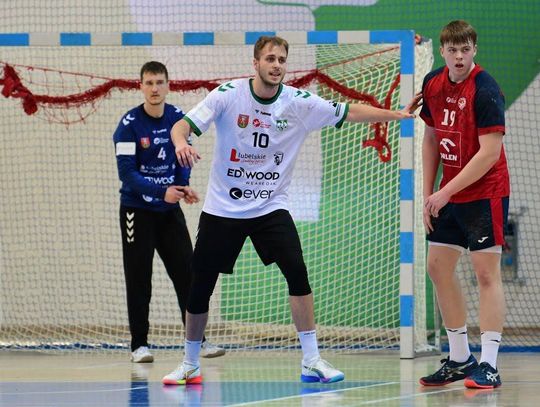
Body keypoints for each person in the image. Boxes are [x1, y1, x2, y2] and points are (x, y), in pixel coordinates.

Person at [161, 36, 421, 385]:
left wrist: (397, 115)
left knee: (297, 273)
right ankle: (190, 362)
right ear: (255, 63)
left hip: (270, 206)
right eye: (270, 58)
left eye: (282, 59)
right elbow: (182, 126)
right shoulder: (228, 95)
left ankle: (311, 360)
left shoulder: (298, 103)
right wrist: (181, 142)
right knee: (200, 285)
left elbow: (349, 111)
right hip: (224, 208)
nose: (277, 65)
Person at [113, 61, 225, 363]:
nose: (154, 89)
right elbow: (127, 174)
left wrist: (182, 186)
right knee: (139, 277)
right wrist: (161, 190)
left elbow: (183, 159)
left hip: (169, 211)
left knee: (188, 274)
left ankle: (198, 341)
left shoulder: (177, 119)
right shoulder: (128, 125)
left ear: (168, 85)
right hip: (136, 211)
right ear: (140, 86)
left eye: (159, 82)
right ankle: (139, 345)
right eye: (149, 83)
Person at [418, 20, 509, 389]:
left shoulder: (485, 90)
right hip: (449, 193)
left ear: (475, 50)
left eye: (465, 49)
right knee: (438, 267)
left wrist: (446, 192)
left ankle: (489, 365)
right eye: (453, 50)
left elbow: (489, 154)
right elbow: (430, 138)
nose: (459, 56)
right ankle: (459, 358)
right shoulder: (433, 83)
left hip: (485, 193)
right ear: (443, 51)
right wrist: (428, 193)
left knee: (486, 274)